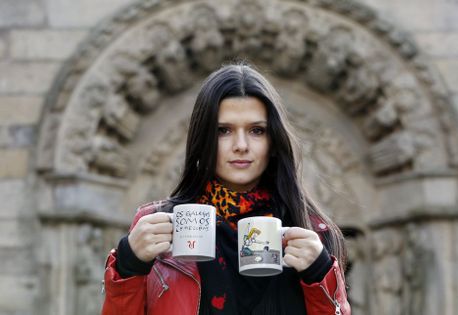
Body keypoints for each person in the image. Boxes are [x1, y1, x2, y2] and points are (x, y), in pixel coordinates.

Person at [102, 63, 351, 315]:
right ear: (203, 140)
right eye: (223, 131)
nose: (241, 145)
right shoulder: (155, 227)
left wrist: (320, 274)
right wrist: (128, 265)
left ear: (273, 141)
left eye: (256, 131)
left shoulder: (311, 232)